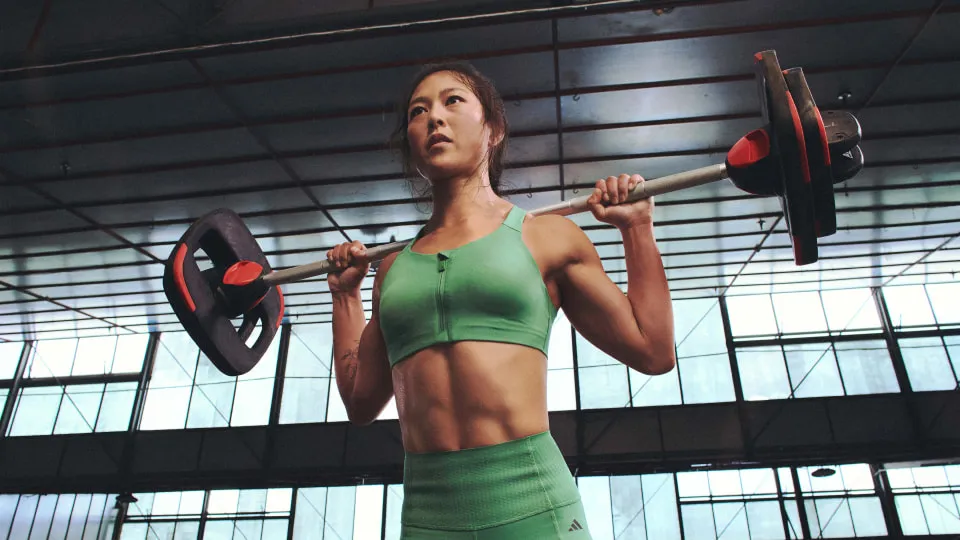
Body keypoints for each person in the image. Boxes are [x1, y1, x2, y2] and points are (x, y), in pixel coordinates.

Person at [325, 61, 676, 539]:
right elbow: (361, 402)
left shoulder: (547, 238)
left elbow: (653, 350)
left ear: (492, 129)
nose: (434, 118)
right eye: (418, 111)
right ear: (410, 142)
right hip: (427, 518)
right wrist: (346, 297)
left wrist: (636, 229)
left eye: (453, 101)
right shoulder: (393, 271)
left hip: (532, 506)